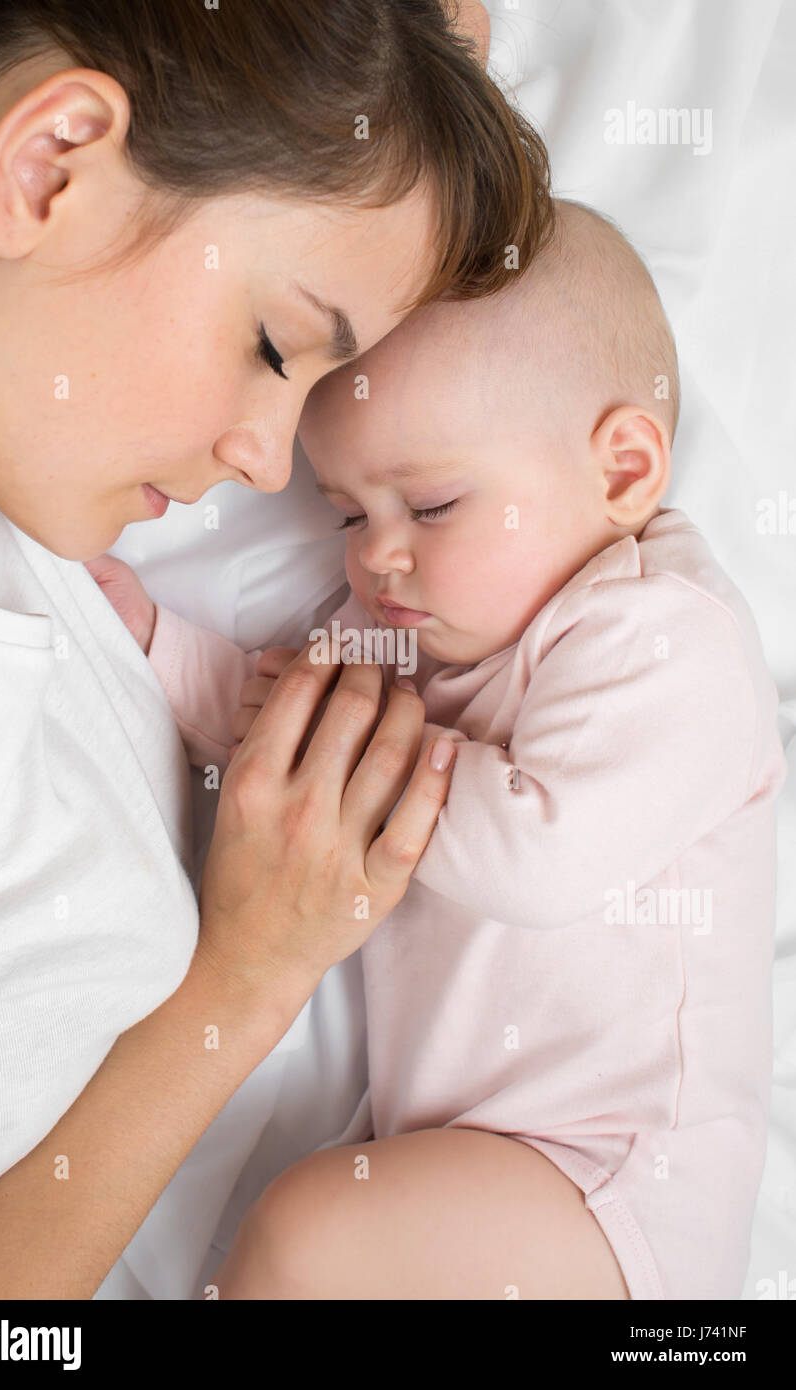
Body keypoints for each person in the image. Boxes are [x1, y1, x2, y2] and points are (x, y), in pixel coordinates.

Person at [0, 0, 555, 1297]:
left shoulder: (8, 497)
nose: (266, 462)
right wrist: (244, 978)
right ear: (47, 167)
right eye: (273, 347)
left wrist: (415, 67)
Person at [94, 202, 786, 1298]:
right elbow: (286, 732)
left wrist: (360, 735)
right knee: (314, 1232)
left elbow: (534, 858)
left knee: (304, 1236)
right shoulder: (403, 632)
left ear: (619, 470)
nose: (381, 557)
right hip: (466, 1163)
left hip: (608, 1195)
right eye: (345, 516)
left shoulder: (663, 637)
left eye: (432, 504)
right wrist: (147, 641)